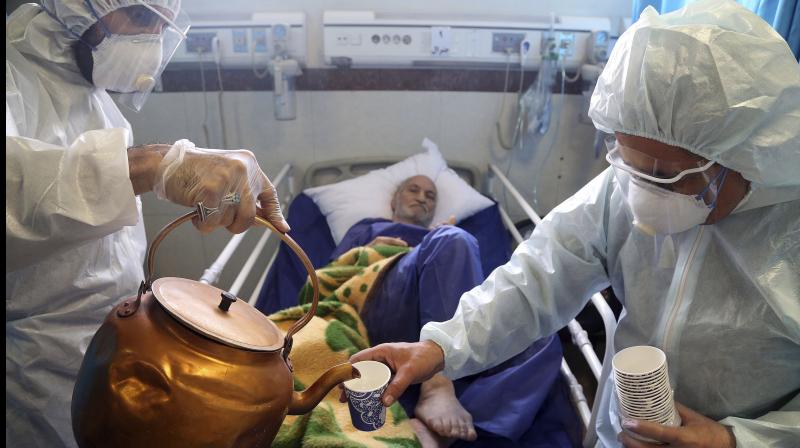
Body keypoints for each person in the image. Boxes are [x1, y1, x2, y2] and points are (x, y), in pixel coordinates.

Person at [351, 1, 800, 447]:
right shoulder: (621, 190)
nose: (643, 195)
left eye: (666, 177)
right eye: (630, 164)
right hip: (623, 433)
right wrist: (439, 349)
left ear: (745, 155)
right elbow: (536, 279)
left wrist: (734, 440)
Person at [6, 1, 289, 447]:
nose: (149, 42)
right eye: (140, 18)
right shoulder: (14, 79)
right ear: (73, 7)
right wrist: (155, 165)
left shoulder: (90, 94)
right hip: (32, 376)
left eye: (163, 25)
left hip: (114, 348)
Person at [316, 175, 577, 447]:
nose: (421, 197)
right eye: (413, 190)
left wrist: (439, 246)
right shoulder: (368, 228)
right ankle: (437, 386)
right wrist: (370, 249)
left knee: (540, 337)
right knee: (453, 239)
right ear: (394, 201)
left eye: (430, 196)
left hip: (449, 313)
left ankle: (442, 431)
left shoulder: (441, 236)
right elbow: (331, 275)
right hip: (383, 302)